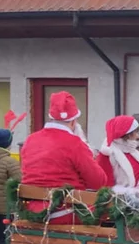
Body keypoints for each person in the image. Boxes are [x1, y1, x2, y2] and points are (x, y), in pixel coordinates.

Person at [19, 91, 109, 224]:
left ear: (50, 118)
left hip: (31, 210)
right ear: (73, 122)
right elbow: (98, 181)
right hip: (65, 212)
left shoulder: (30, 140)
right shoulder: (74, 143)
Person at [96, 115, 139, 194]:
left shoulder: (132, 151)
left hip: (137, 198)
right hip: (119, 201)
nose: (138, 136)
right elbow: (105, 187)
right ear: (128, 134)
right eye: (136, 132)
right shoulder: (107, 153)